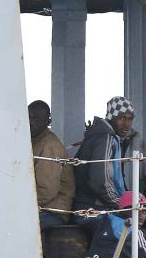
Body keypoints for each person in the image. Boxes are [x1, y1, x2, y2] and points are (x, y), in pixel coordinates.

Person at [73, 96, 138, 228]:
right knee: (132, 233)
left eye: (130, 119)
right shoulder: (106, 138)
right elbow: (99, 181)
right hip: (92, 209)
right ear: (110, 117)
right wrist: (121, 205)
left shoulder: (99, 135)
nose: (127, 124)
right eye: (121, 118)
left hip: (86, 206)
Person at [29, 101, 75, 233]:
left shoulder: (49, 146)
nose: (31, 122)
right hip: (43, 207)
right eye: (29, 117)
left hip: (54, 211)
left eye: (36, 118)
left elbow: (46, 192)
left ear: (48, 121)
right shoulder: (35, 141)